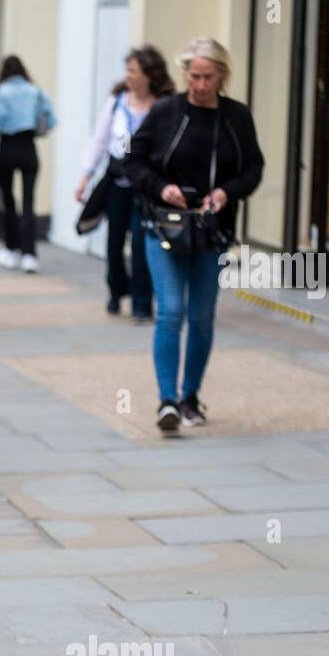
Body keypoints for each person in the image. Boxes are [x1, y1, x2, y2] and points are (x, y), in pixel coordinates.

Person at [123, 37, 263, 433]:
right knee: (170, 312)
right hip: (164, 227)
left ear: (222, 76)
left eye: (208, 77)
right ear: (184, 74)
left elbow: (253, 169)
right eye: (193, 76)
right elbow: (131, 161)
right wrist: (160, 187)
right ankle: (166, 401)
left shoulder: (236, 117)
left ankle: (190, 397)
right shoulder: (167, 111)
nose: (199, 85)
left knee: (201, 317)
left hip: (211, 229)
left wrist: (225, 193)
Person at [76, 46, 174, 320]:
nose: (128, 76)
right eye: (127, 71)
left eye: (133, 71)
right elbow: (100, 139)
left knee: (142, 244)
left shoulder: (163, 105)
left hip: (145, 183)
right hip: (117, 179)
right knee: (114, 243)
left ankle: (142, 302)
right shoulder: (117, 101)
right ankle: (117, 291)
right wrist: (85, 175)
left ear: (149, 75)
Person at [0, 55, 56, 274]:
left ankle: (11, 247)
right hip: (28, 145)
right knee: (29, 201)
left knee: (9, 199)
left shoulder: (0, 93)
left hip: (8, 145)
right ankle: (30, 253)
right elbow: (48, 119)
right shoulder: (35, 92)